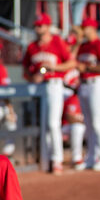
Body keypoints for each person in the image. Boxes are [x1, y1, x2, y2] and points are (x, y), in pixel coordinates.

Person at [22, 13, 75, 175]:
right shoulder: (32, 47)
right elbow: (25, 69)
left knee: (53, 124)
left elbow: (71, 62)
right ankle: (46, 161)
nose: (37, 28)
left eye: (40, 26)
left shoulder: (57, 42)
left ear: (47, 26)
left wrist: (54, 68)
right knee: (44, 125)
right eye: (36, 26)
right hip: (40, 87)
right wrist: (32, 77)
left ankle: (57, 159)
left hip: (54, 84)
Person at [76, 18, 100, 171]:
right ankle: (91, 156)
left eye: (86, 28)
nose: (83, 31)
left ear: (92, 28)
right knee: (88, 124)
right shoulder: (82, 46)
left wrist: (89, 68)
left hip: (97, 84)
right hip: (84, 85)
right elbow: (77, 64)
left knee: (97, 123)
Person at [62, 87, 86, 169]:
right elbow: (69, 117)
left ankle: (96, 156)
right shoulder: (73, 99)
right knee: (77, 127)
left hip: (84, 127)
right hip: (66, 128)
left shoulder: (88, 100)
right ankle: (77, 158)